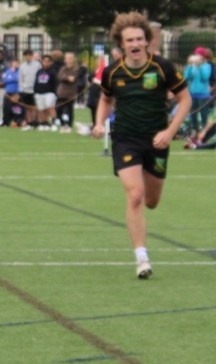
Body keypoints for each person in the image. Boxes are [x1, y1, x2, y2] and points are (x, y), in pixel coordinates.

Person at [92, 11, 191, 279]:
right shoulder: (113, 72)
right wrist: (99, 123)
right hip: (125, 139)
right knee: (135, 195)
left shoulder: (163, 68)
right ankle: (141, 257)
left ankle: (142, 244)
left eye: (139, 38)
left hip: (157, 140)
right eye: (129, 40)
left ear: (146, 41)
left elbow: (185, 100)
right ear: (121, 44)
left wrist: (170, 131)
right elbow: (105, 100)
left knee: (151, 201)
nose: (134, 44)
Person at [184, 47, 212, 136]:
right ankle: (195, 131)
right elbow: (187, 77)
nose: (197, 56)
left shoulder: (207, 66)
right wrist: (189, 65)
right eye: (196, 54)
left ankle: (205, 133)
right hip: (192, 94)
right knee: (193, 115)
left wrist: (199, 66)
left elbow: (205, 77)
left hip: (203, 95)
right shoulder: (192, 66)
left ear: (203, 57)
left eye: (199, 55)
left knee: (204, 115)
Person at [33, 54, 59, 131]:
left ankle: (54, 122)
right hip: (39, 93)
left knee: (50, 108)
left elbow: (55, 83)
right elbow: (36, 82)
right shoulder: (39, 71)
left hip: (49, 93)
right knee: (41, 109)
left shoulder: (53, 72)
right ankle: (43, 123)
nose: (46, 63)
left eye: (48, 61)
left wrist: (54, 93)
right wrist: (35, 91)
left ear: (51, 62)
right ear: (42, 62)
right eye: (44, 61)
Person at [56, 52, 79, 133]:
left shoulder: (75, 69)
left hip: (71, 93)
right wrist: (67, 78)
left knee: (69, 110)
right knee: (58, 110)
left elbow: (73, 78)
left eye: (70, 58)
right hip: (61, 93)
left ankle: (69, 126)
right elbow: (60, 77)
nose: (68, 60)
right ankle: (63, 124)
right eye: (67, 58)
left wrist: (66, 78)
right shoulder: (63, 68)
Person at [19, 49, 40, 130]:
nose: (27, 57)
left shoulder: (37, 65)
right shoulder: (22, 66)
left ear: (32, 55)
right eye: (26, 55)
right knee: (28, 108)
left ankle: (36, 122)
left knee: (36, 107)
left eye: (29, 55)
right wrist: (22, 87)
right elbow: (20, 79)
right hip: (26, 90)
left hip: (35, 89)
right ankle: (30, 122)